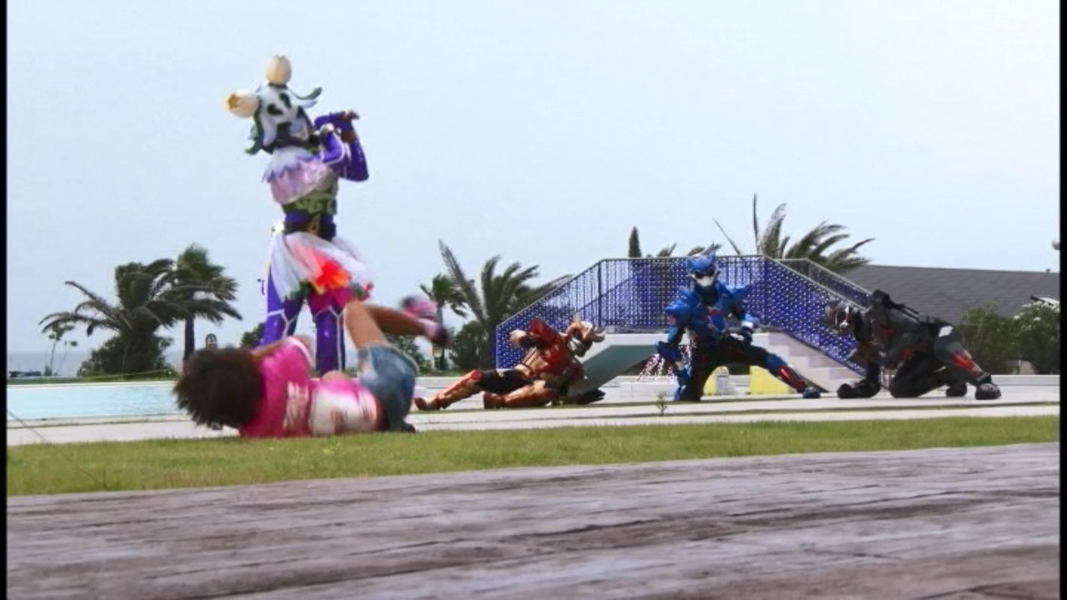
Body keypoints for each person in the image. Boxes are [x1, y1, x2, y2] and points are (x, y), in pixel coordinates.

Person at [226, 55, 394, 374]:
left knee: (329, 324)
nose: (301, 122)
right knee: (278, 326)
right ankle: (253, 387)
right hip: (292, 252)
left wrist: (347, 132)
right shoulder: (284, 163)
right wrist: (329, 132)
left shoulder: (313, 153)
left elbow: (358, 171)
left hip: (324, 249)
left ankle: (332, 385)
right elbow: (334, 164)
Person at [174, 296, 443, 436]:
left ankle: (396, 426)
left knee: (331, 378)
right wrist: (253, 357)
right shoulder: (278, 372)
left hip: (378, 423)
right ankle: (427, 327)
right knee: (355, 311)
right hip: (388, 387)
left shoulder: (259, 432)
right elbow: (301, 341)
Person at [656, 252, 821, 401]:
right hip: (703, 351)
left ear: (715, 271)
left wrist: (747, 329)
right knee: (690, 395)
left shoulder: (726, 293)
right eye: (700, 275)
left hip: (726, 343)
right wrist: (680, 369)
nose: (706, 278)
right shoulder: (684, 305)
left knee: (767, 358)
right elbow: (670, 342)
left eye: (709, 273)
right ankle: (682, 393)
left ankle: (803, 387)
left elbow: (743, 313)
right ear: (693, 276)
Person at [824, 290, 1002, 400]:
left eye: (840, 318)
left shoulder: (880, 313)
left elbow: (913, 328)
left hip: (939, 332)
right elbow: (873, 380)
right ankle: (951, 377)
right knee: (899, 389)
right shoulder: (865, 340)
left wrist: (893, 355)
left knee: (942, 348)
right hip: (923, 353)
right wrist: (855, 392)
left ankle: (985, 382)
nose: (840, 324)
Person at [414, 316, 605, 410]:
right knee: (477, 376)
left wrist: (579, 398)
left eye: (588, 341)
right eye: (584, 338)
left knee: (548, 389)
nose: (585, 343)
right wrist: (524, 338)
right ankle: (436, 401)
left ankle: (499, 401)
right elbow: (531, 338)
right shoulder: (553, 339)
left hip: (535, 392)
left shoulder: (573, 367)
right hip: (518, 376)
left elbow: (562, 397)